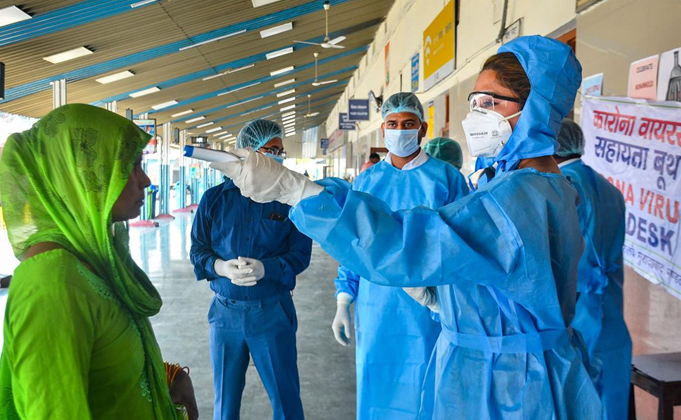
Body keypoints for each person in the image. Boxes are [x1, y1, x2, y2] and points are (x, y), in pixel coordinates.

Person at [212, 35, 603, 419]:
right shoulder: (530, 187)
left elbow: (404, 243)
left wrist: (296, 189)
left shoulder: (522, 197)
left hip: (511, 384)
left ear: (534, 108)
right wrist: (445, 299)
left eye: (489, 102)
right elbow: (493, 274)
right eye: (474, 103)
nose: (475, 115)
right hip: (508, 369)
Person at [0, 104, 197, 420]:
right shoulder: (51, 287)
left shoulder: (90, 263)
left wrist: (168, 378)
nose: (145, 180)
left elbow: (104, 365)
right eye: (130, 167)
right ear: (78, 175)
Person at [331, 92, 469, 420]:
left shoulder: (447, 179)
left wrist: (445, 302)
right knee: (377, 385)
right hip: (376, 306)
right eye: (393, 123)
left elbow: (464, 246)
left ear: (422, 129)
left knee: (428, 389)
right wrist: (342, 301)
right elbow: (354, 246)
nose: (400, 130)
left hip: (430, 308)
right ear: (383, 129)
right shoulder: (366, 181)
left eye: (408, 123)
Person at [190, 119, 312, 420]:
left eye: (281, 151)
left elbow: (300, 255)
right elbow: (197, 250)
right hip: (224, 315)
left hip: (271, 312)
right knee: (225, 404)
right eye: (270, 150)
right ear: (248, 153)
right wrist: (219, 266)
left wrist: (267, 268)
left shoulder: (290, 201)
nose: (278, 157)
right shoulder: (214, 200)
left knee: (286, 400)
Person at [555, 119, 632, 420]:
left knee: (578, 398)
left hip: (576, 308)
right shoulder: (609, 190)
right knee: (610, 397)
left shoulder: (561, 187)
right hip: (609, 308)